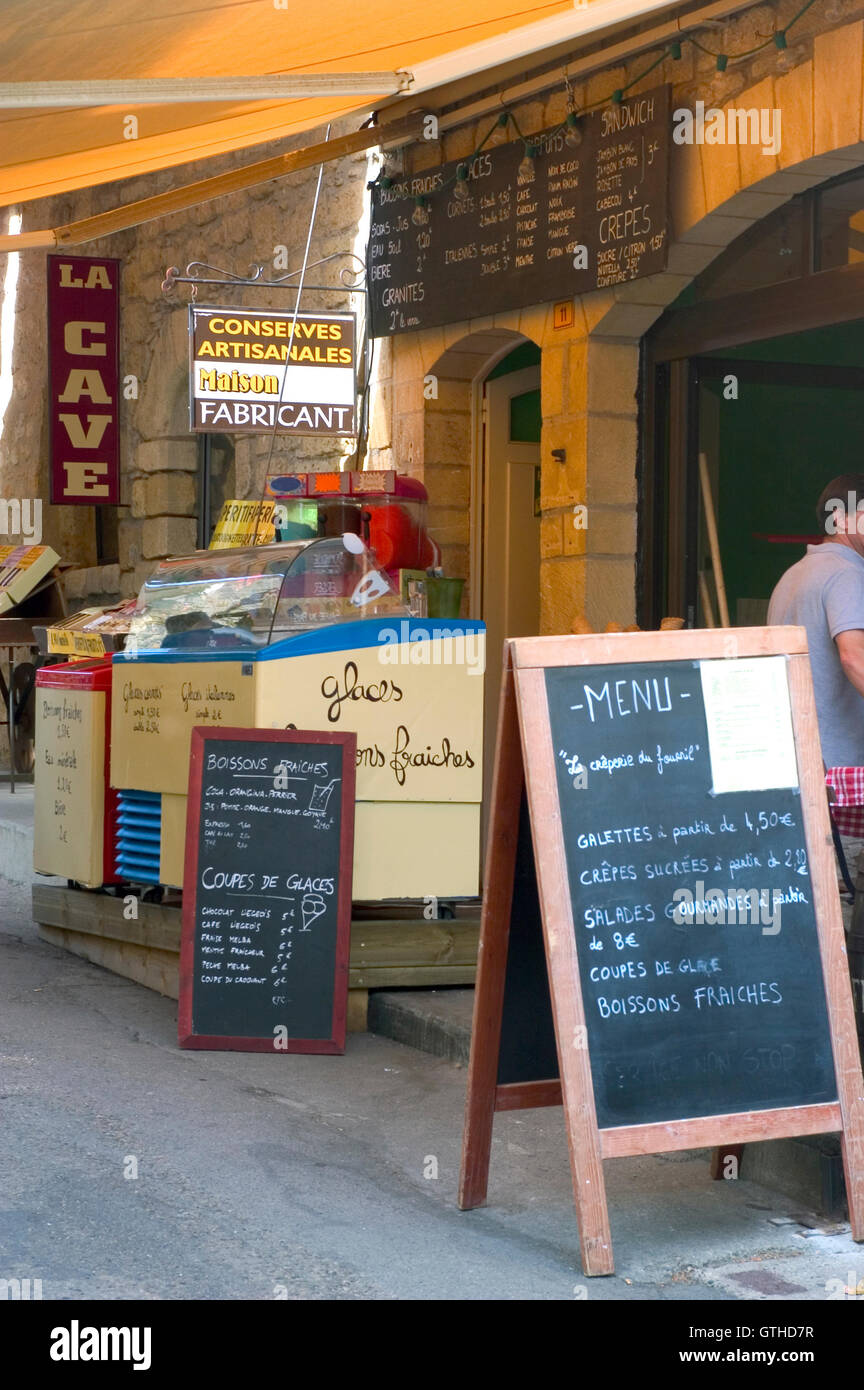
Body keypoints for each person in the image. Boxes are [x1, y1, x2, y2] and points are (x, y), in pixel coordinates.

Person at [768, 475, 864, 880]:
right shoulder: (847, 574)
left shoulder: (791, 577)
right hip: (841, 791)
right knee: (846, 910)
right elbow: (854, 656)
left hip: (797, 776)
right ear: (841, 519)